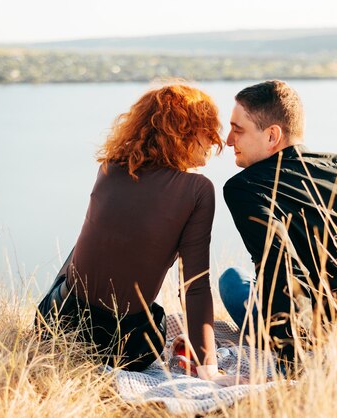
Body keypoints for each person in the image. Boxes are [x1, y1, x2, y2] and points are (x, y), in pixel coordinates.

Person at [36, 84, 224, 381]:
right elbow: (194, 286)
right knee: (153, 316)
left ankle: (47, 311)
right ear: (185, 132)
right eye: (209, 131)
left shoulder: (109, 168)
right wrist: (209, 370)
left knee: (84, 245)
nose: (216, 140)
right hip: (128, 349)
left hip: (58, 325)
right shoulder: (198, 190)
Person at [219, 80, 337, 369]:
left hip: (309, 336)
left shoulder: (246, 187)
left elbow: (279, 269)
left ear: (272, 136)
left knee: (231, 280)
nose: (229, 140)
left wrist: (290, 361)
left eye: (238, 130)